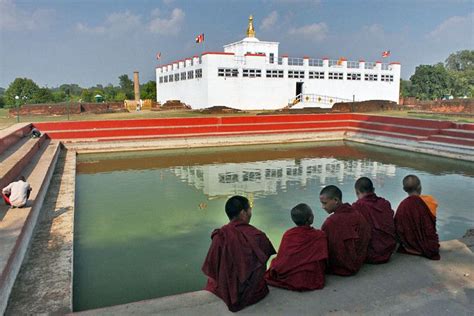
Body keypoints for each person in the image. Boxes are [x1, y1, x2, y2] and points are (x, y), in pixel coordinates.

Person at [202, 195, 276, 312]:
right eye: (249, 209)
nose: (251, 212)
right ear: (243, 213)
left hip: (224, 290)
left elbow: (212, 266)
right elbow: (264, 261)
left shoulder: (221, 235)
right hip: (254, 292)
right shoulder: (257, 236)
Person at [265, 203, 328, 291]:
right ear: (310, 218)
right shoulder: (319, 235)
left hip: (287, 274)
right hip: (309, 277)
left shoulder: (288, 234)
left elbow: (283, 257)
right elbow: (323, 257)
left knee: (275, 261)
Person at [319, 185, 371, 276]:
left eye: (324, 203)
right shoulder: (357, 214)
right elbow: (366, 236)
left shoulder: (330, 222)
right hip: (358, 262)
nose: (322, 207)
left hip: (340, 266)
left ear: (336, 200)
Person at [395, 175, 440, 260]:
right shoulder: (430, 201)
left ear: (404, 189)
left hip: (409, 246)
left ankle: (412, 248)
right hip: (429, 245)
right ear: (420, 186)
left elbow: (398, 227)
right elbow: (431, 224)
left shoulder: (403, 205)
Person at [352, 177, 396, 264]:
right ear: (373, 189)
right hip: (388, 250)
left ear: (357, 192)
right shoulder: (385, 203)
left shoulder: (357, 206)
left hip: (370, 254)